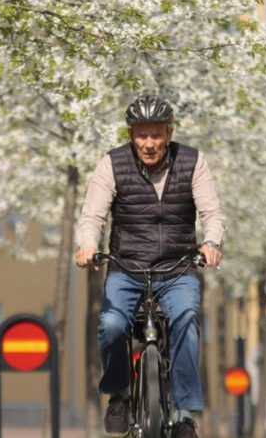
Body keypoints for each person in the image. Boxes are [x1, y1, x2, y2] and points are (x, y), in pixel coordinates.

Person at [75, 95, 226, 438]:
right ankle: (119, 396)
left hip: (177, 268)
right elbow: (92, 215)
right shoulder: (112, 164)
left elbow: (212, 214)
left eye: (156, 135)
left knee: (186, 319)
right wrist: (87, 245)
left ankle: (184, 413)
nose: (149, 143)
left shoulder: (193, 162)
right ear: (131, 135)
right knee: (112, 325)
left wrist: (212, 243)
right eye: (141, 135)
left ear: (169, 134)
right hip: (126, 267)